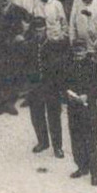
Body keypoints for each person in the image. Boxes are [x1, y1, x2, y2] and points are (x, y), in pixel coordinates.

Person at [63, 42, 97, 185]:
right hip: (73, 109)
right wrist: (67, 96)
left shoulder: (95, 67)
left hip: (89, 109)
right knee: (76, 139)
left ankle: (94, 172)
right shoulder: (68, 67)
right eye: (76, 53)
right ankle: (82, 167)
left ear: (86, 52)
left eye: (81, 52)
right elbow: (62, 85)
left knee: (91, 140)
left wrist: (88, 96)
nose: (78, 55)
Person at [24, 15, 64, 158]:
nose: (39, 33)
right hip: (35, 86)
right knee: (37, 115)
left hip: (51, 86)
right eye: (36, 30)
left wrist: (60, 87)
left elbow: (60, 68)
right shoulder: (29, 46)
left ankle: (57, 146)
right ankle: (42, 142)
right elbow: (24, 66)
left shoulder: (54, 45)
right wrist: (28, 83)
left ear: (46, 29)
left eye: (41, 30)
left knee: (54, 116)